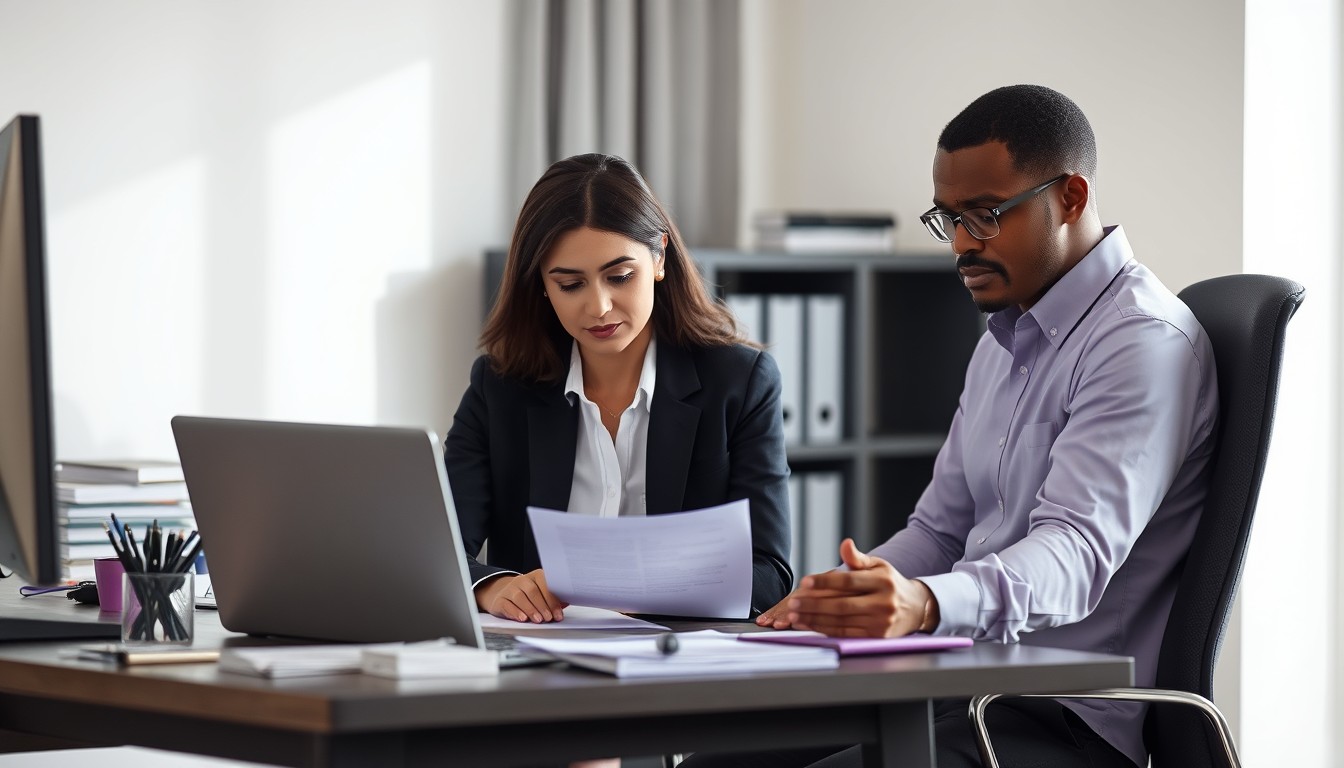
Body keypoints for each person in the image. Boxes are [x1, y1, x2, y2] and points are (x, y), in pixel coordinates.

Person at [682, 85, 1218, 768]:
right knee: (718, 762)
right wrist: (844, 600)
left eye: (986, 216)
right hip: (964, 686)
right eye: (950, 218)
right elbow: (939, 529)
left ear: (1072, 198)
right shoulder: (1004, 336)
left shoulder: (1140, 343)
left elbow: (1074, 553)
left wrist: (925, 606)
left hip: (1068, 720)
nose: (962, 244)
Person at [445, 152, 793, 626]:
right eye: (570, 284)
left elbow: (769, 574)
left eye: (619, 277)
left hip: (677, 659)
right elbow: (438, 552)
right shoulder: (500, 386)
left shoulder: (740, 382)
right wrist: (494, 586)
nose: (599, 306)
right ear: (542, 286)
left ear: (659, 258)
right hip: (539, 663)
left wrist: (633, 583)